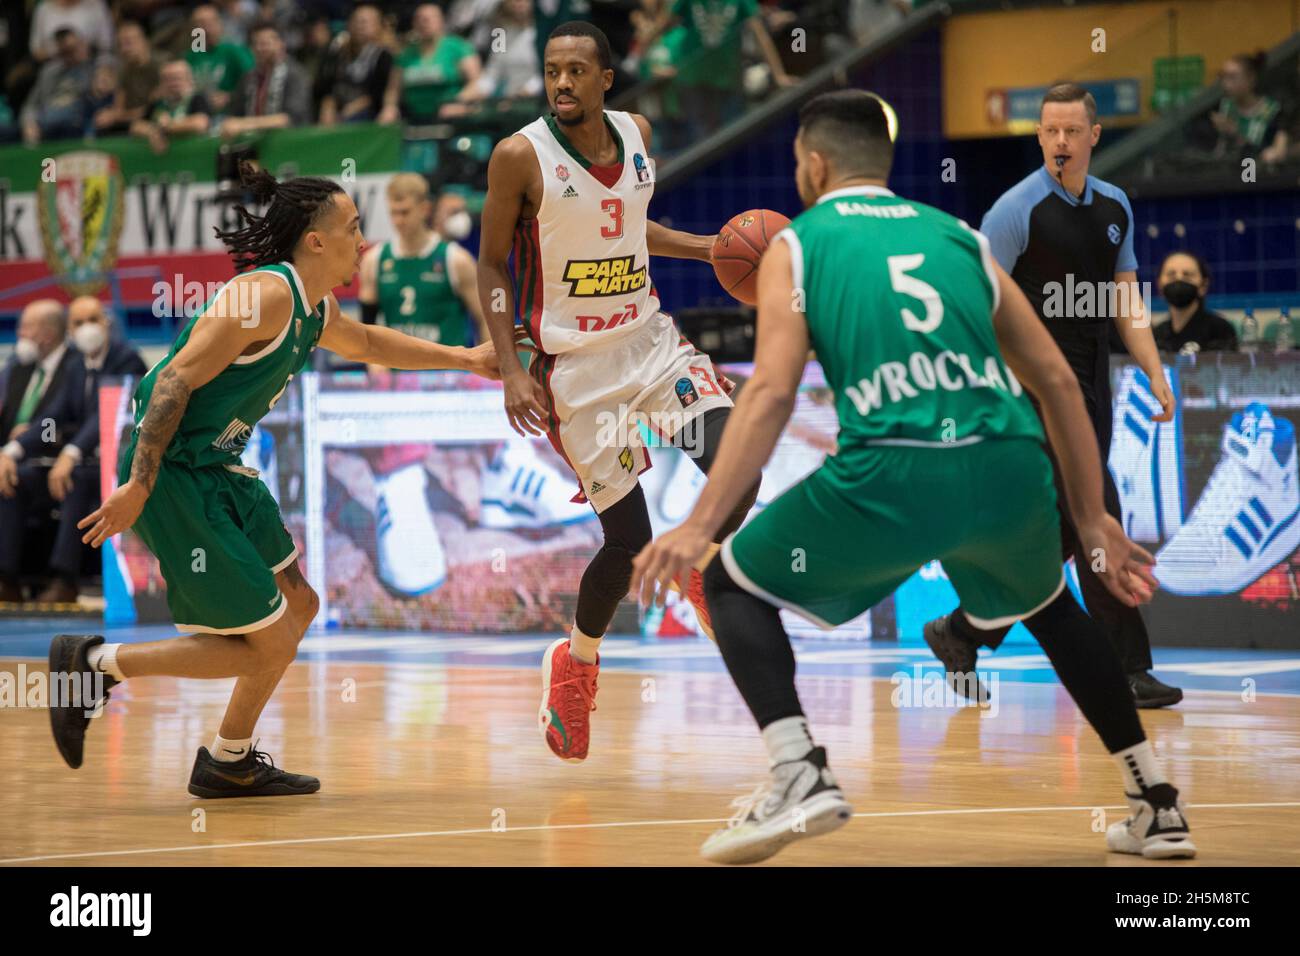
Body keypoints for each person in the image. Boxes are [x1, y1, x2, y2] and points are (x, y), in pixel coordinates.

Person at [631, 89, 1196, 865]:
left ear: (815, 166)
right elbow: (1061, 385)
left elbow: (767, 393)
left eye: (799, 161)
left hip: (894, 465)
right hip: (1008, 463)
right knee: (1051, 607)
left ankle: (799, 768)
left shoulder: (797, 246)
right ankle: (1156, 801)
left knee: (730, 584)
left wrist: (698, 524)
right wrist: (1093, 519)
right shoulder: (961, 238)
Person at [48, 160, 501, 796]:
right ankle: (93, 665)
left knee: (301, 605)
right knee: (263, 644)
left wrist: (465, 359)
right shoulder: (261, 296)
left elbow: (367, 343)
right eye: (353, 227)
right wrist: (141, 487)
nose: (363, 241)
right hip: (173, 470)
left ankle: (228, 761)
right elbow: (172, 381)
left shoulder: (314, 305)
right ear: (315, 241)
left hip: (220, 466)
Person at [477, 21, 757, 763]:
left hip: (651, 344)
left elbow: (630, 226)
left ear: (607, 78)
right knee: (628, 545)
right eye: (551, 71)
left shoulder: (636, 132)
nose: (561, 83)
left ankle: (698, 561)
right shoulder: (518, 156)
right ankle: (576, 663)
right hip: (576, 371)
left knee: (741, 470)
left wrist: (707, 248)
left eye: (576, 71)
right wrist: (511, 365)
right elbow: (492, 267)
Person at [918, 83, 1183, 709]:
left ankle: (961, 631)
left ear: (1094, 136)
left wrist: (1153, 370)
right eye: (1049, 131)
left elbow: (1125, 299)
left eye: (1072, 131)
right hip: (1030, 390)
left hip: (1092, 385)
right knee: (1101, 515)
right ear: (1038, 137)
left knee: (1056, 540)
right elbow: (973, 302)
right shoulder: (1015, 211)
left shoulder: (1115, 206)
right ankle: (1130, 670)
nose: (1060, 142)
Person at [0, 300, 78, 603]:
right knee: (10, 474)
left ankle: (12, 577)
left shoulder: (75, 365)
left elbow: (74, 418)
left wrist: (36, 436)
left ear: (46, 333)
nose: (19, 333)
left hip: (55, 459)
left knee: (16, 479)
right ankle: (8, 579)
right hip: (14, 456)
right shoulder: (18, 368)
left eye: (25, 327)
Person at [379, 3, 483, 125]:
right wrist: (390, 107)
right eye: (419, 19)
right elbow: (393, 89)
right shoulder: (405, 55)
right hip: (414, 119)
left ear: (442, 21)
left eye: (429, 18)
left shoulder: (458, 47)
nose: (424, 22)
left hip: (452, 118)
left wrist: (457, 102)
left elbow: (478, 84)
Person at [1153, 251, 1238, 353]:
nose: (1179, 279)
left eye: (1187, 275)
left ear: (1203, 285)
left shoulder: (1219, 329)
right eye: (1171, 275)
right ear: (1159, 285)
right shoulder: (1157, 335)